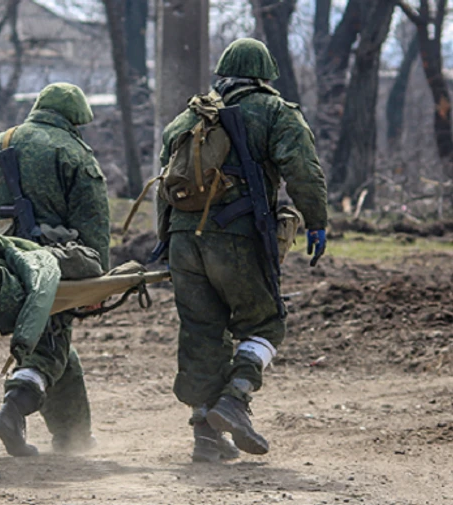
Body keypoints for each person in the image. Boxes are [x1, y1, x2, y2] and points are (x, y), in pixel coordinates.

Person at [157, 38, 328, 462]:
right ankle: (235, 399)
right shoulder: (275, 112)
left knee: (202, 332)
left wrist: (165, 242)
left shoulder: (187, 117)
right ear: (265, 74)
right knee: (266, 323)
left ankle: (205, 434)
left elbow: (164, 184)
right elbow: (302, 170)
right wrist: (318, 220)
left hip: (183, 241)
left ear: (223, 73)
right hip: (235, 237)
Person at [0, 83, 110, 456]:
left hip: (2, 260)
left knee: (55, 343)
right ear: (75, 120)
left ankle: (73, 437)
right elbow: (95, 230)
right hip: (51, 266)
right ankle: (13, 408)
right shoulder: (76, 155)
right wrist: (100, 286)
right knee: (50, 344)